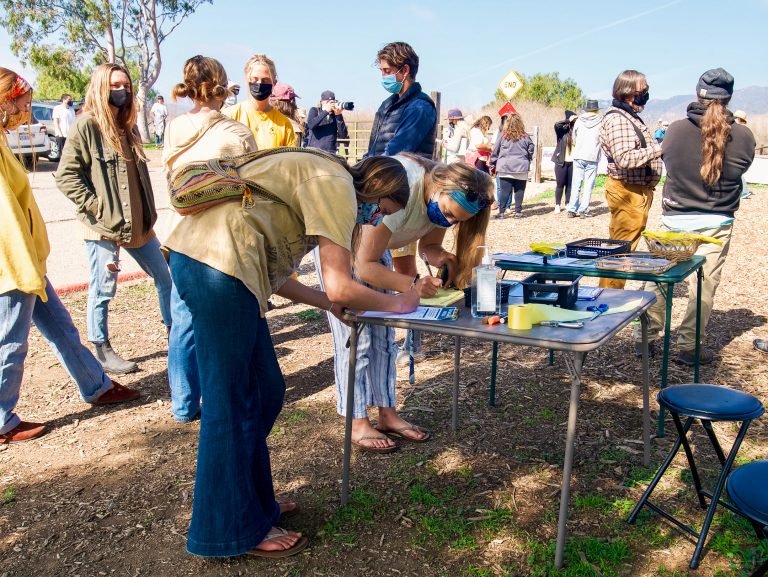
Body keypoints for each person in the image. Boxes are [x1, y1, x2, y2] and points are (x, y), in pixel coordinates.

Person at [164, 143, 416, 557]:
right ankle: (229, 529)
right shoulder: (336, 186)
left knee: (264, 390)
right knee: (231, 404)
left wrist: (327, 304)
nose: (375, 221)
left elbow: (286, 278)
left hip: (225, 268)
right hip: (216, 267)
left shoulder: (322, 179)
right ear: (374, 190)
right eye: (381, 210)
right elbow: (341, 283)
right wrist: (401, 302)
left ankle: (253, 503)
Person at [0, 67, 140, 444]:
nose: (27, 113)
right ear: (5, 102)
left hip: (27, 258)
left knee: (62, 328)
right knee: (11, 340)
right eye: (24, 105)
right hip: (12, 264)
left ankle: (96, 385)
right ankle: (1, 418)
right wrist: (23, 261)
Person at [317, 154, 494, 452]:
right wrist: (412, 285)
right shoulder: (407, 185)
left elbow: (429, 245)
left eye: (456, 221)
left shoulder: (443, 201)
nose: (448, 222)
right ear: (440, 188)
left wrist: (442, 258)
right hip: (344, 251)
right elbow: (363, 265)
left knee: (385, 339)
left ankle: (387, 414)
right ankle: (357, 421)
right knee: (355, 340)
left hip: (373, 255)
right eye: (450, 214)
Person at [55, 63, 173, 375]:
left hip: (140, 225)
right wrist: (97, 208)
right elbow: (66, 177)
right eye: (115, 85)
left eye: (126, 85)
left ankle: (175, 332)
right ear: (100, 88)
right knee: (103, 288)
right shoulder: (87, 127)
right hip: (103, 228)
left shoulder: (129, 127)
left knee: (165, 277)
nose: (122, 91)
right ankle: (101, 347)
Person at [162, 55, 258, 424]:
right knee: (226, 334)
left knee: (183, 320)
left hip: (180, 236)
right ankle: (225, 406)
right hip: (221, 246)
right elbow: (255, 188)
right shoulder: (235, 133)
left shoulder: (173, 128)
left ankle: (184, 402)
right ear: (222, 83)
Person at [640, 68, 754, 366]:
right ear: (728, 99)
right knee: (703, 284)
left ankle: (647, 338)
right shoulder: (743, 136)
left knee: (660, 278)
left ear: (697, 94)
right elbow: (738, 171)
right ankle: (689, 347)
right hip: (716, 222)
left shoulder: (675, 130)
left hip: (676, 218)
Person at [366, 41, 438, 362]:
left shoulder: (420, 108)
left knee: (404, 269)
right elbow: (375, 148)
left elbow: (399, 150)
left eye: (385, 70)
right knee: (381, 265)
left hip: (404, 193)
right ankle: (396, 333)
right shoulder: (388, 105)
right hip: (379, 190)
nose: (382, 76)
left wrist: (373, 173)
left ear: (403, 70)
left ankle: (414, 341)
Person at [598, 69, 663, 290]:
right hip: (627, 191)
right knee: (620, 250)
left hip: (635, 190)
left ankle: (610, 295)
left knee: (623, 247)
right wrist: (658, 150)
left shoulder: (628, 116)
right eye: (643, 89)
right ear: (628, 92)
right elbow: (624, 158)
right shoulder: (618, 119)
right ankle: (609, 298)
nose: (646, 93)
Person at [222, 53, 296, 149]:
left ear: (274, 82)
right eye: (254, 79)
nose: (259, 83)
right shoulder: (229, 116)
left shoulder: (284, 124)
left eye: (265, 80)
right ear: (247, 79)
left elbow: (288, 160)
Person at [489, 112, 534, 219]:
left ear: (508, 123)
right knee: (519, 191)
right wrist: (527, 158)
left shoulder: (503, 135)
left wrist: (492, 164)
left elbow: (495, 150)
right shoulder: (525, 136)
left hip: (505, 167)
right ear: (520, 123)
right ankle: (518, 212)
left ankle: (501, 213)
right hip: (521, 167)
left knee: (504, 191)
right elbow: (531, 148)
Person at [566, 99, 603, 218]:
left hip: (579, 155)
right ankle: (583, 209)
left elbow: (574, 137)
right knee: (588, 184)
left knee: (576, 183)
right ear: (596, 109)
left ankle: (572, 209)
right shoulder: (601, 121)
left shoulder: (579, 120)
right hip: (592, 156)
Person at [551, 111, 577, 213]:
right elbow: (557, 125)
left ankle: (567, 203)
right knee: (560, 184)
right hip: (561, 161)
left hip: (573, 162)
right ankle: (557, 204)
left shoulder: (577, 132)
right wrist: (568, 120)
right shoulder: (561, 132)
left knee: (570, 185)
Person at [733, 110, 753, 199]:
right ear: (739, 119)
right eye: (742, 121)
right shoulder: (739, 130)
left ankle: (742, 192)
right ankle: (743, 192)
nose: (742, 123)